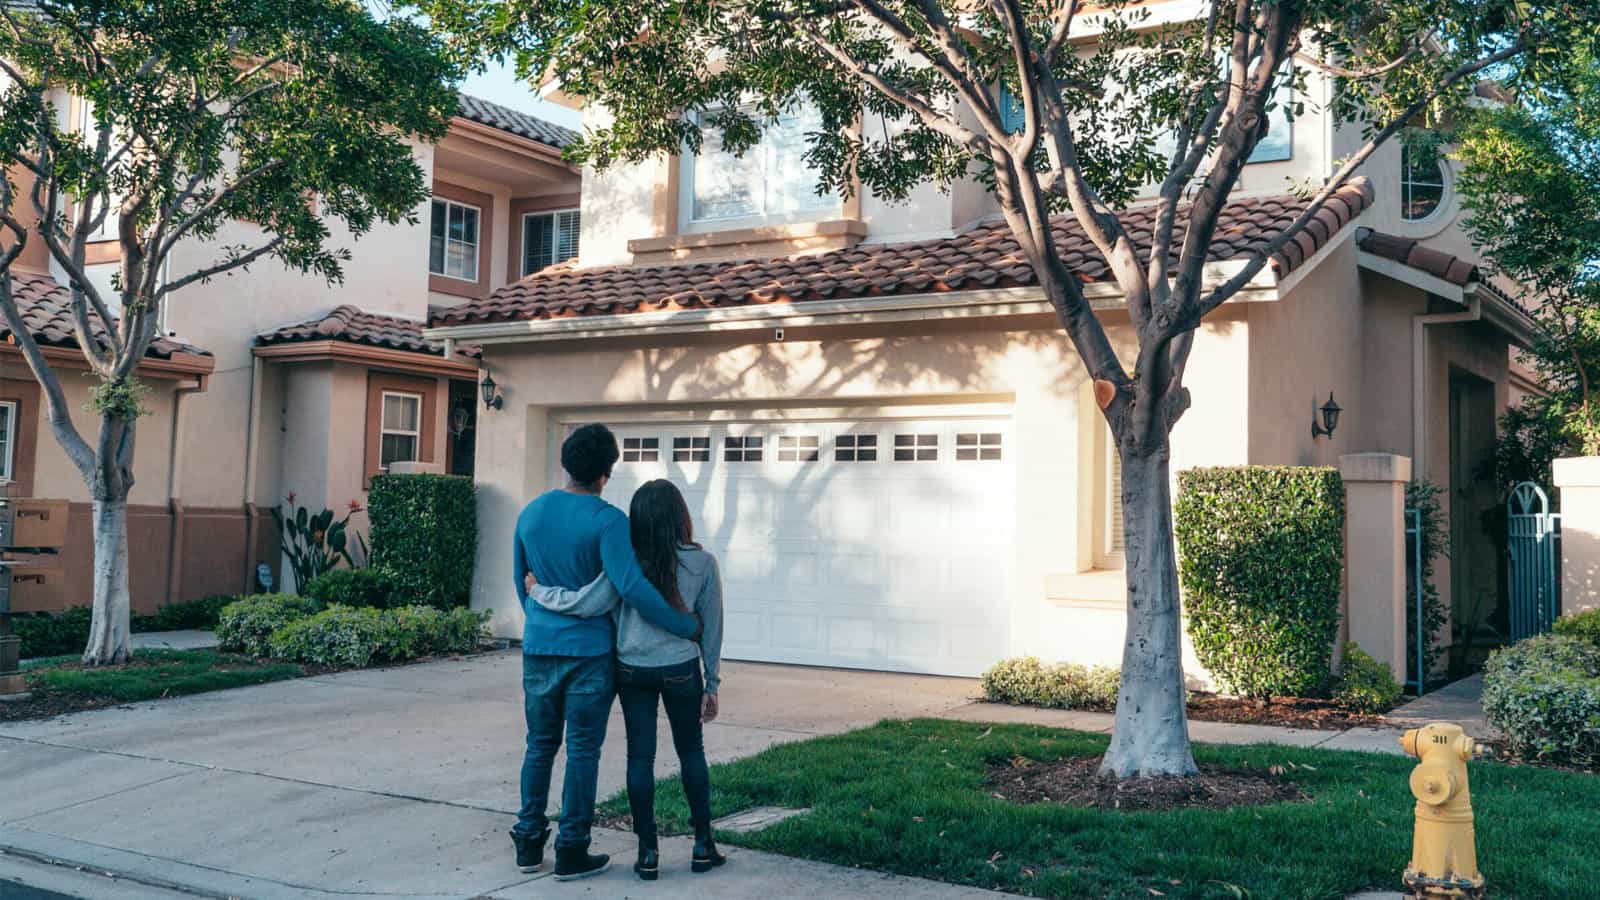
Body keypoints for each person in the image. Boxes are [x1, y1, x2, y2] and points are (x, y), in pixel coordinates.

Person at [509, 425, 700, 881]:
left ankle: (528, 843)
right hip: (590, 654)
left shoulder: (530, 513)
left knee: (539, 746)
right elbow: (632, 587)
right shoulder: (610, 521)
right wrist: (684, 625)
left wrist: (543, 625)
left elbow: (522, 583)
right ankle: (573, 849)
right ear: (606, 472)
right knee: (581, 751)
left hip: (539, 647)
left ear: (566, 464)